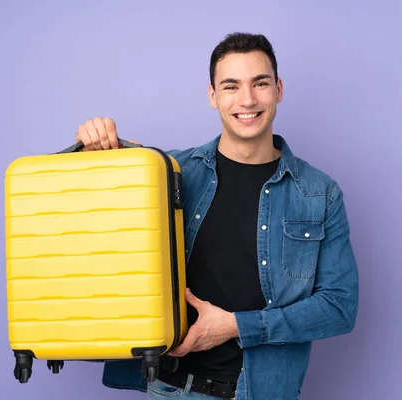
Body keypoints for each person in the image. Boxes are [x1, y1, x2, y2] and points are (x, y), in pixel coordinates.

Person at [74, 32, 359, 400]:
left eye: (260, 83)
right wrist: (92, 149)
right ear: (213, 95)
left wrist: (237, 326)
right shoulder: (168, 173)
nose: (247, 99)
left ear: (279, 89)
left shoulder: (320, 194)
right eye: (231, 86)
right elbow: (98, 225)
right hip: (169, 387)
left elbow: (339, 307)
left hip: (261, 392)